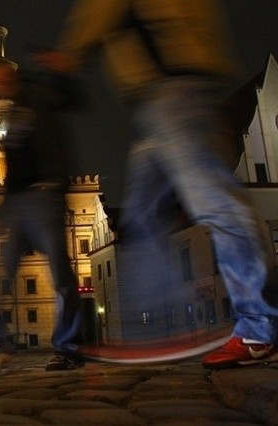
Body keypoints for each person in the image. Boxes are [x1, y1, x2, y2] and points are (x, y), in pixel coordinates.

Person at [34, 0, 278, 369]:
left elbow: (99, 12)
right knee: (141, 217)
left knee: (218, 206)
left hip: (175, 86)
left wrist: (67, 54)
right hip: (160, 95)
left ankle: (259, 329)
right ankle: (153, 329)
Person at [0, 59, 86, 371]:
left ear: (8, 73)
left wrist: (58, 184)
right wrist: (4, 211)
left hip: (44, 196)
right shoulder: (12, 115)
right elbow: (13, 170)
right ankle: (6, 344)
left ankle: (68, 348)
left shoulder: (37, 98)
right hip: (19, 204)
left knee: (61, 275)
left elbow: (68, 113)